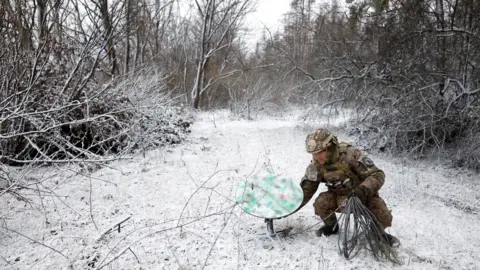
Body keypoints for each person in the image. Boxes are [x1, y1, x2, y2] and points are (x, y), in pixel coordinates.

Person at [299, 128, 399, 247]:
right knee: (321, 202)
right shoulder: (316, 164)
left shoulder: (351, 154)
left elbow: (377, 175)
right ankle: (331, 227)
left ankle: (378, 233)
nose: (317, 157)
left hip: (362, 195)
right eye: (314, 154)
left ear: (330, 147)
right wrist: (288, 208)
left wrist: (363, 190)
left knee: (382, 213)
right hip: (339, 198)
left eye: (320, 152)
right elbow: (307, 190)